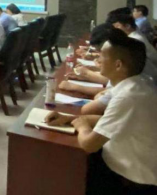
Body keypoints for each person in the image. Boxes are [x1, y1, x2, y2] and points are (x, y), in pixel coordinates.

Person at [45, 34, 157, 195]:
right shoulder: (136, 82)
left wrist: (82, 127)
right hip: (124, 163)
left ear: (118, 65)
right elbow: (109, 120)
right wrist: (70, 118)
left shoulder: (129, 97)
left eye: (102, 56)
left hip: (134, 179)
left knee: (70, 168)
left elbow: (89, 144)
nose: (97, 59)